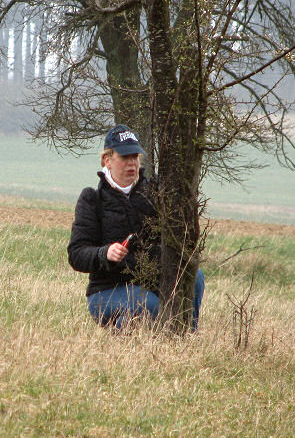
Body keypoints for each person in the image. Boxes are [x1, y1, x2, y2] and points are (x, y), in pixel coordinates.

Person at [67, 124, 205, 330]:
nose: (131, 163)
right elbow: (77, 255)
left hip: (152, 283)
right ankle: (128, 333)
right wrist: (105, 253)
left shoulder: (155, 193)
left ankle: (185, 337)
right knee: (149, 306)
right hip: (106, 292)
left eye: (135, 157)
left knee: (194, 277)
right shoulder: (92, 200)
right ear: (107, 160)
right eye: (124, 157)